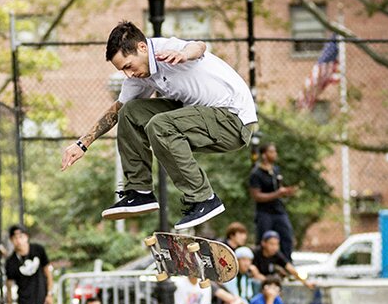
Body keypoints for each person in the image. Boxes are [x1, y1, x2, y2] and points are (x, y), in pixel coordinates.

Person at [60, 20, 257, 230]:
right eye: (122, 71)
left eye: (128, 66)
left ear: (142, 48)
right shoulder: (139, 76)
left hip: (233, 121)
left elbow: (198, 46)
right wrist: (82, 144)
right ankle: (140, 191)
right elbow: (117, 110)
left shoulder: (167, 50)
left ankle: (203, 198)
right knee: (130, 112)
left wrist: (184, 55)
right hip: (198, 116)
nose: (129, 74)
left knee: (160, 125)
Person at [4, 224, 53, 304]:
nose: (18, 240)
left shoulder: (38, 250)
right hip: (24, 303)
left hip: (41, 301)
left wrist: (49, 294)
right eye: (15, 238)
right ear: (11, 240)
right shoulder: (11, 262)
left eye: (21, 236)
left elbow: (48, 272)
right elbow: (9, 285)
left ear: (26, 237)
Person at [249, 142, 297, 259]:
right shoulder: (256, 173)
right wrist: (277, 193)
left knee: (286, 238)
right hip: (264, 213)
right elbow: (257, 196)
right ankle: (263, 267)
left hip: (279, 211)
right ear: (264, 155)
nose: (275, 154)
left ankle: (286, 265)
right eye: (272, 151)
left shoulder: (276, 170)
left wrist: (286, 192)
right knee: (264, 240)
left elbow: (278, 189)